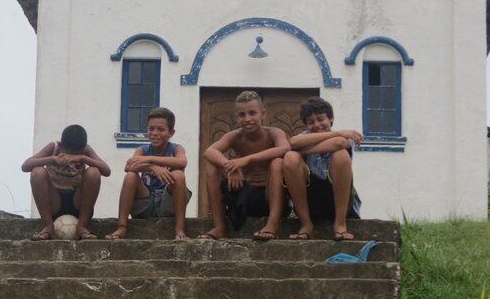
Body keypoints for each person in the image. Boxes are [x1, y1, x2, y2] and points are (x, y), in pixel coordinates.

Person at [200, 90, 290, 241]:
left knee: (278, 162)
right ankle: (220, 227)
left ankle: (272, 224)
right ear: (236, 117)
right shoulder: (235, 136)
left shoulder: (274, 133)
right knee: (213, 166)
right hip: (246, 196)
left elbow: (284, 148)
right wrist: (230, 167)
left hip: (270, 196)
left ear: (263, 113)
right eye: (242, 115)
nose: (247, 119)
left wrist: (246, 160)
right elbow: (209, 152)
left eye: (252, 113)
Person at [283, 96, 362, 241]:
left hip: (338, 201)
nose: (317, 125)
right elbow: (293, 142)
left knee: (341, 155)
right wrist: (338, 132)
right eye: (310, 122)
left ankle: (340, 224)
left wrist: (304, 151)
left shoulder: (346, 137)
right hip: (312, 200)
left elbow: (339, 143)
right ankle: (306, 224)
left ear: (331, 119)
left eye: (321, 119)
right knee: (290, 158)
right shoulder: (339, 133)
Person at [105, 107, 191, 241]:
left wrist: (150, 159)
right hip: (145, 204)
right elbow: (129, 167)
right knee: (131, 176)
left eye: (160, 129)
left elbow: (182, 162)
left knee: (179, 175)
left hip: (167, 204)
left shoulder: (176, 149)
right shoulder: (142, 150)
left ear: (171, 132)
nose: (155, 133)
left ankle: (180, 229)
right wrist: (153, 167)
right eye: (151, 129)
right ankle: (122, 226)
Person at [22, 124, 111, 240]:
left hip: (78, 202)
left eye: (77, 153)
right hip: (54, 202)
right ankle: (48, 226)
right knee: (37, 172)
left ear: (83, 148)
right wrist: (52, 159)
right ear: (62, 145)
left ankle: (82, 226)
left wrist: (83, 158)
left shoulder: (86, 150)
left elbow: (106, 171)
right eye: (69, 152)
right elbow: (25, 166)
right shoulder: (53, 147)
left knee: (94, 172)